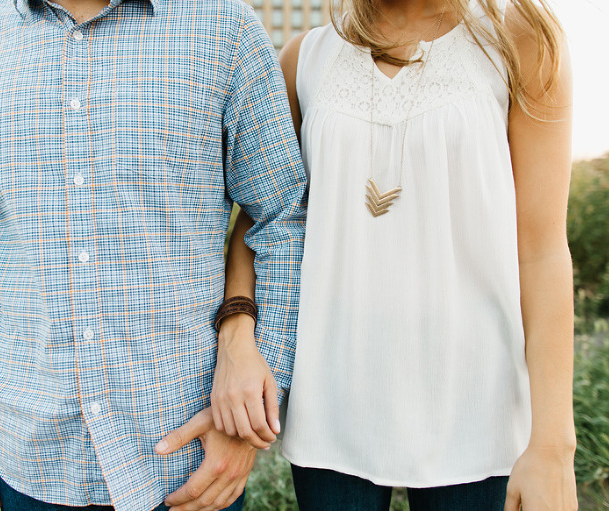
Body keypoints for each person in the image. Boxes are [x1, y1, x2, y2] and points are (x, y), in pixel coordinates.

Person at [173, 0, 578, 509]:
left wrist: (553, 444)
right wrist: (238, 328)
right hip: (333, 407)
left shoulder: (519, 40)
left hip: (479, 406)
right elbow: (263, 216)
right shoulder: (305, 58)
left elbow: (541, 251)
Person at [0, 0, 307, 509]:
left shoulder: (225, 28)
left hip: (189, 459)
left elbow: (281, 221)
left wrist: (250, 418)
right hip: (26, 454)